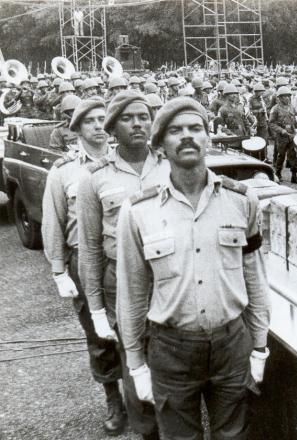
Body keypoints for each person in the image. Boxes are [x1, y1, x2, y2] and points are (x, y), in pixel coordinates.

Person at [116, 97, 270, 440]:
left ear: (208, 138)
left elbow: (254, 278)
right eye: (175, 131)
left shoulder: (242, 200)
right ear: (160, 145)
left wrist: (259, 345)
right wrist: (135, 363)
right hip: (171, 349)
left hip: (232, 343)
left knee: (234, 435)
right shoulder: (138, 211)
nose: (187, 137)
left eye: (195, 128)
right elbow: (132, 293)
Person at [77, 90, 169, 440]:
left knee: (173, 356)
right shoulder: (94, 177)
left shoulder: (169, 163)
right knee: (135, 361)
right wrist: (97, 308)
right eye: (128, 118)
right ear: (113, 127)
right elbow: (89, 247)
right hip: (122, 282)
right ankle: (148, 431)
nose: (137, 124)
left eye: (143, 116)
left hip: (169, 276)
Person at [41, 98, 125, 436]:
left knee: (138, 327)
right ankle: (114, 401)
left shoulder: (123, 162)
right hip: (85, 260)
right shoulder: (64, 171)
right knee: (99, 334)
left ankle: (141, 396)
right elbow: (53, 221)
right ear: (76, 129)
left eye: (102, 119)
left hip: (123, 257)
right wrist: (59, 270)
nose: (97, 126)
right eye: (89, 121)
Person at [268, 86, 297, 183]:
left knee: (293, 155)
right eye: (285, 96)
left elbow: (294, 120)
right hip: (282, 136)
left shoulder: (291, 107)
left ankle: (294, 176)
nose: (287, 98)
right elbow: (271, 123)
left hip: (291, 135)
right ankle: (277, 174)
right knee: (281, 156)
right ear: (280, 98)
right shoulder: (275, 109)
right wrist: (281, 131)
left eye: (288, 96)